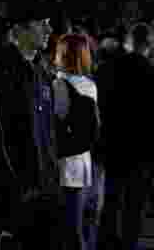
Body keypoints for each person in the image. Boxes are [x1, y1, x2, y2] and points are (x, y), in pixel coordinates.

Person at [0, 11, 61, 250]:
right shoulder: (2, 72)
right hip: (14, 193)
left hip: (44, 189)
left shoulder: (41, 73)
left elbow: (48, 133)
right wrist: (20, 183)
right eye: (42, 23)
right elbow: (0, 134)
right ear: (19, 30)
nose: (48, 30)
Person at [95, 22, 154, 250]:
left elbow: (99, 108)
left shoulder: (108, 69)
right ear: (149, 44)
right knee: (135, 205)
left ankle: (107, 242)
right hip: (142, 151)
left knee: (110, 202)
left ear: (130, 41)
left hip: (113, 146)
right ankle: (128, 243)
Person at [52, 33, 101, 250]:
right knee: (80, 225)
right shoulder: (90, 85)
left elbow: (58, 120)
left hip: (64, 162)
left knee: (66, 228)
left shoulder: (59, 85)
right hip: (83, 161)